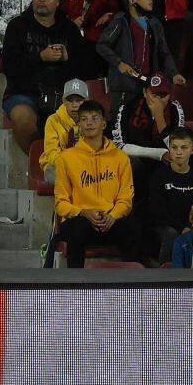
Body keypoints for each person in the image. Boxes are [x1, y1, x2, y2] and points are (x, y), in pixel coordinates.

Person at [54, 100, 145, 268]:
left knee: (133, 226)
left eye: (94, 118)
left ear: (104, 124)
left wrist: (113, 216)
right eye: (84, 119)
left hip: (111, 220)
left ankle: (132, 284)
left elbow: (125, 199)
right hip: (81, 221)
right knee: (77, 228)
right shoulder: (65, 158)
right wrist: (83, 212)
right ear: (79, 124)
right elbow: (61, 203)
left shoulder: (120, 157)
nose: (89, 123)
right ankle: (75, 285)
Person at [1, 0, 87, 153]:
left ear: (57, 2)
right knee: (23, 118)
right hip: (24, 93)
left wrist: (67, 58)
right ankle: (42, 165)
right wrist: (41, 57)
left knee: (90, 118)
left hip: (62, 95)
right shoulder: (17, 26)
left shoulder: (70, 29)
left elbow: (86, 69)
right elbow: (10, 67)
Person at [97, 0, 185, 115]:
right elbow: (102, 45)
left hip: (147, 86)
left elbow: (164, 53)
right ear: (132, 0)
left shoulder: (155, 24)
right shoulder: (121, 20)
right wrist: (119, 63)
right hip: (123, 86)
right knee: (120, 126)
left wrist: (174, 73)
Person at [147, 128, 193, 264]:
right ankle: (166, 274)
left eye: (184, 148)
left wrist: (190, 226)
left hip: (191, 224)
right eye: (174, 147)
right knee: (171, 235)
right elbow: (158, 212)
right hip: (164, 226)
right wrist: (182, 228)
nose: (178, 152)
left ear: (192, 150)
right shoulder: (159, 177)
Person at [111, 73, 186, 184]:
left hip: (165, 163)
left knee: (180, 161)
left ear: (170, 95)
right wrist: (159, 154)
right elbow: (119, 146)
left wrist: (159, 117)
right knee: (128, 162)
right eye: (154, 94)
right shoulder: (128, 107)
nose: (158, 100)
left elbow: (179, 147)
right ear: (145, 92)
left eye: (163, 95)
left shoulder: (175, 108)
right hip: (136, 160)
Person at [40, 78, 88, 184]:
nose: (75, 105)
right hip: (56, 166)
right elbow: (52, 153)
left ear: (86, 102)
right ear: (64, 101)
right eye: (70, 100)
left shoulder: (91, 122)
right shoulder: (53, 120)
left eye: (79, 100)